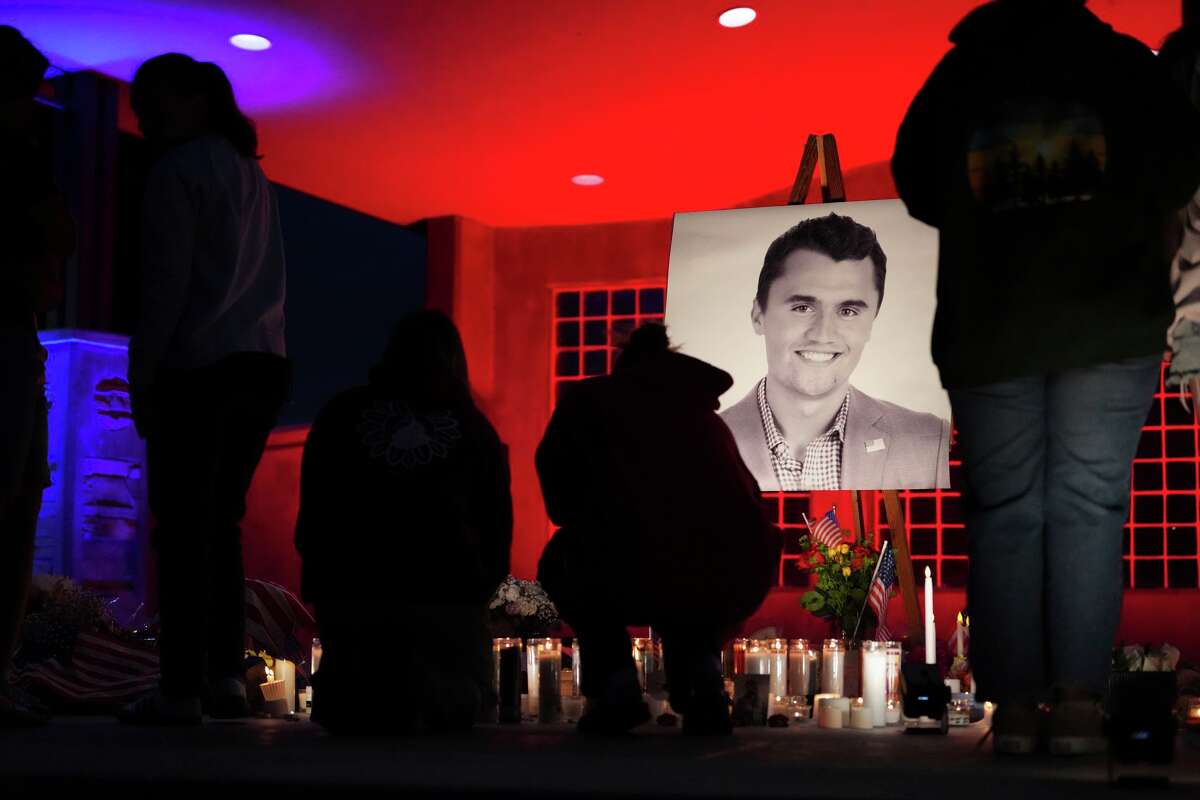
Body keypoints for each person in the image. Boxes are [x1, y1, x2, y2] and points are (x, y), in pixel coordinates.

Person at [892, 0, 1200, 755]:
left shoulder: (964, 70)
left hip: (993, 319)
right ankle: (1077, 707)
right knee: (1091, 507)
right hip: (1111, 315)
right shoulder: (1126, 65)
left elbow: (917, 180)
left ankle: (1019, 707)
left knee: (1004, 513)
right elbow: (1180, 168)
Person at [120, 54, 290, 725]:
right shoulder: (250, 174)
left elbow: (165, 286)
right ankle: (222, 675)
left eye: (150, 100)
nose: (142, 114)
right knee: (221, 526)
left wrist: (143, 374)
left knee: (184, 529)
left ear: (192, 100)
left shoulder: (177, 171)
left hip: (199, 366)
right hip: (262, 363)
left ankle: (180, 688)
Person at [537, 323, 781, 735]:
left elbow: (560, 500)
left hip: (643, 559)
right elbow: (745, 501)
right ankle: (703, 687)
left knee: (565, 563)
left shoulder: (590, 404)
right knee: (685, 579)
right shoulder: (704, 416)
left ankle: (617, 689)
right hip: (734, 566)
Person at [294, 310, 512, 734]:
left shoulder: (340, 415)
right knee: (456, 703)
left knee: (360, 703)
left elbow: (313, 524)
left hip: (353, 612)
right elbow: (497, 538)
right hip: (447, 618)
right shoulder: (475, 431)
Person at [720, 213, 951, 491]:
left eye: (848, 311)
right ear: (759, 315)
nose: (823, 334)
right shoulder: (695, 445)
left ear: (871, 323)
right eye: (802, 307)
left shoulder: (930, 443)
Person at [0, 25, 72, 728]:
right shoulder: (19, 162)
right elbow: (62, 231)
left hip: (18, 335)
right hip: (9, 338)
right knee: (14, 507)